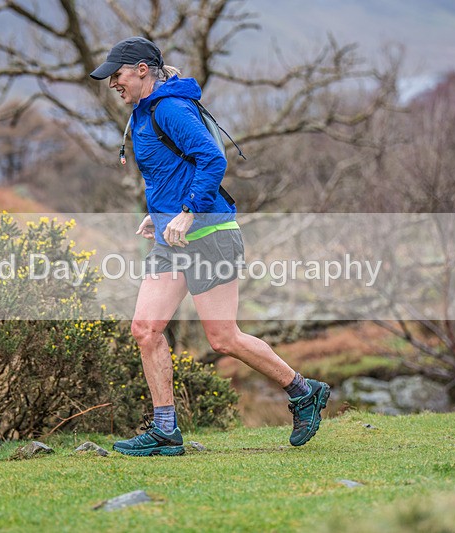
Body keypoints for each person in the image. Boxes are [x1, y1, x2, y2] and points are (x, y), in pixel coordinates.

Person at [90, 37, 330, 456]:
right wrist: (162, 213)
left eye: (118, 73)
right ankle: (165, 430)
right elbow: (171, 170)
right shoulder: (144, 112)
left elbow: (212, 158)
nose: (112, 82)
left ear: (143, 69)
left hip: (210, 237)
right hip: (172, 240)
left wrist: (187, 210)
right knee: (145, 330)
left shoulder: (169, 108)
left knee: (223, 338)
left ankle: (303, 391)